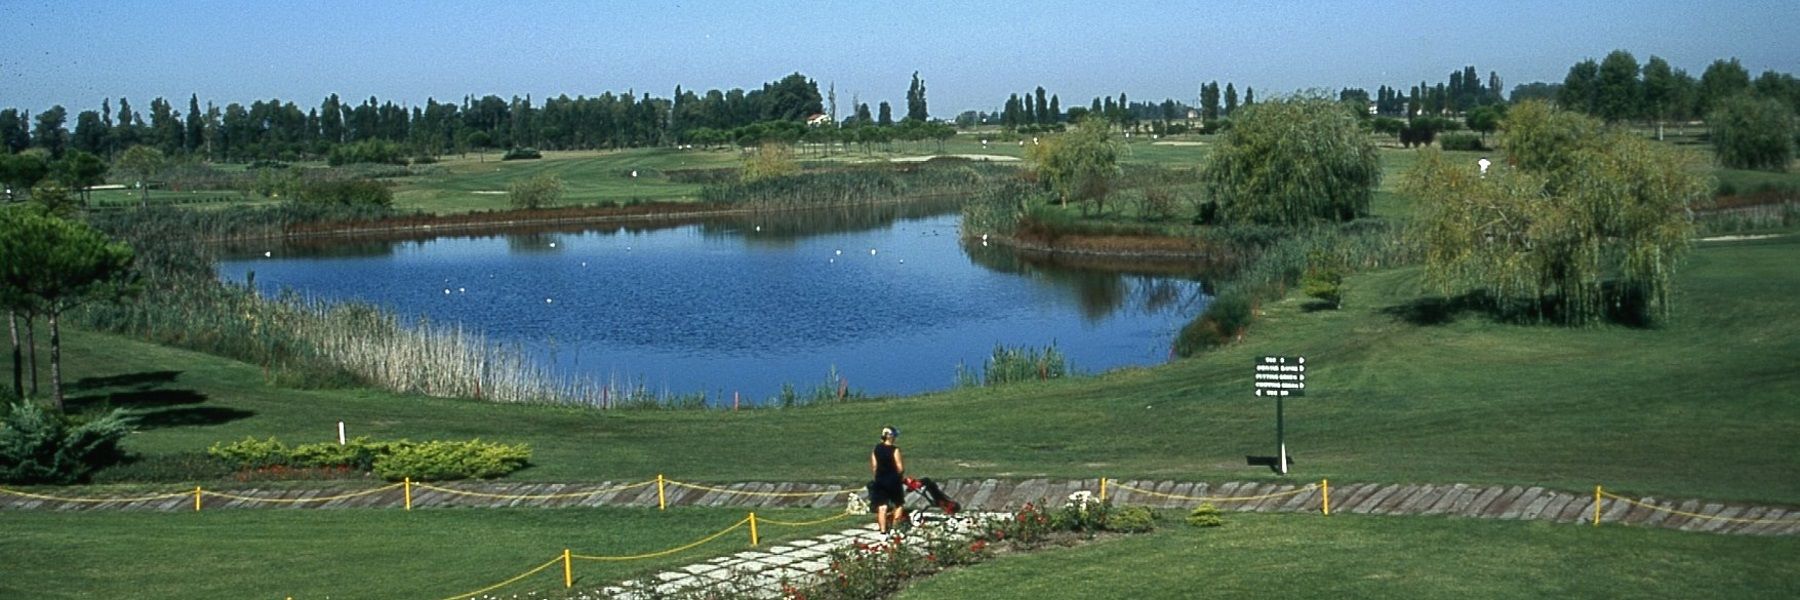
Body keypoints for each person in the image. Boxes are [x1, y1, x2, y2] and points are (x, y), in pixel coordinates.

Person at [869, 426, 906, 534]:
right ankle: (895, 529)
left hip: (880, 480)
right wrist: (898, 476)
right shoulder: (895, 450)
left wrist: (879, 476)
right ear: (891, 437)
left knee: (882, 506)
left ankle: (883, 531)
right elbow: (900, 468)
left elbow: (874, 466)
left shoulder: (876, 449)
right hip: (893, 481)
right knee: (899, 504)